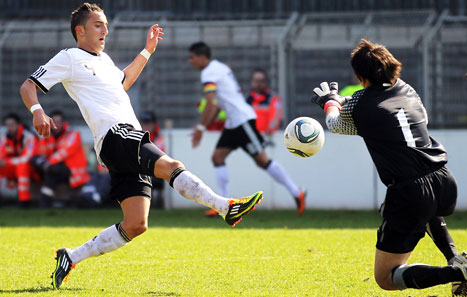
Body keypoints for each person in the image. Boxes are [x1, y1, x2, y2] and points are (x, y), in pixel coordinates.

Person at [19, 3, 262, 289]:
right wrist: (37, 110)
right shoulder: (70, 57)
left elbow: (124, 81)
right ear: (80, 30)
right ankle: (225, 207)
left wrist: (147, 50)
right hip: (116, 135)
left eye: (105, 24)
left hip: (120, 142)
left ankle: (70, 257)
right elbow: (28, 85)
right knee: (170, 166)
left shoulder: (104, 60)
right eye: (98, 25)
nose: (105, 30)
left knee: (136, 224)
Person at [310, 39, 467, 295]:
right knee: (428, 209)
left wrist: (329, 102)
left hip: (410, 191)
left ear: (360, 76)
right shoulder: (408, 90)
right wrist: (343, 99)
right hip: (442, 178)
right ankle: (456, 259)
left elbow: (335, 124)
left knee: (386, 277)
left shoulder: (360, 104)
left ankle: (455, 272)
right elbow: (381, 108)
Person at [188, 42, 305, 217]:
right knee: (217, 157)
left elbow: (211, 103)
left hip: (242, 121)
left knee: (262, 160)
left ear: (201, 57)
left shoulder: (208, 72)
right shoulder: (218, 67)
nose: (190, 62)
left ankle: (297, 192)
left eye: (192, 57)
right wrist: (202, 128)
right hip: (233, 122)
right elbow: (218, 105)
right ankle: (223, 204)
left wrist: (200, 128)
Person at [33, 110, 90, 207]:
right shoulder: (48, 135)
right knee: (37, 162)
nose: (57, 124)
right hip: (56, 169)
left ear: (63, 123)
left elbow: (64, 152)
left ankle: (45, 202)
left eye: (59, 121)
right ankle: (45, 202)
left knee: (51, 170)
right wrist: (43, 163)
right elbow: (41, 153)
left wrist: (48, 163)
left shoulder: (73, 134)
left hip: (72, 170)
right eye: (54, 121)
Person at [0, 113, 38, 207]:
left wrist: (7, 162)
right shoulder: (5, 137)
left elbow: (26, 158)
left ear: (18, 124)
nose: (9, 128)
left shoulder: (29, 137)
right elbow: (1, 154)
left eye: (12, 125)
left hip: (31, 169)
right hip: (13, 167)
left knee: (22, 167)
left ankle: (24, 201)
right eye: (7, 125)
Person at [246, 68, 283, 135]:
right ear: (252, 82)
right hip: (250, 137)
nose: (259, 84)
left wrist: (270, 129)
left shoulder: (273, 98)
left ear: (265, 82)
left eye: (261, 81)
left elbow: (276, 118)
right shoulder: (246, 99)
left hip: (267, 137)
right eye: (256, 81)